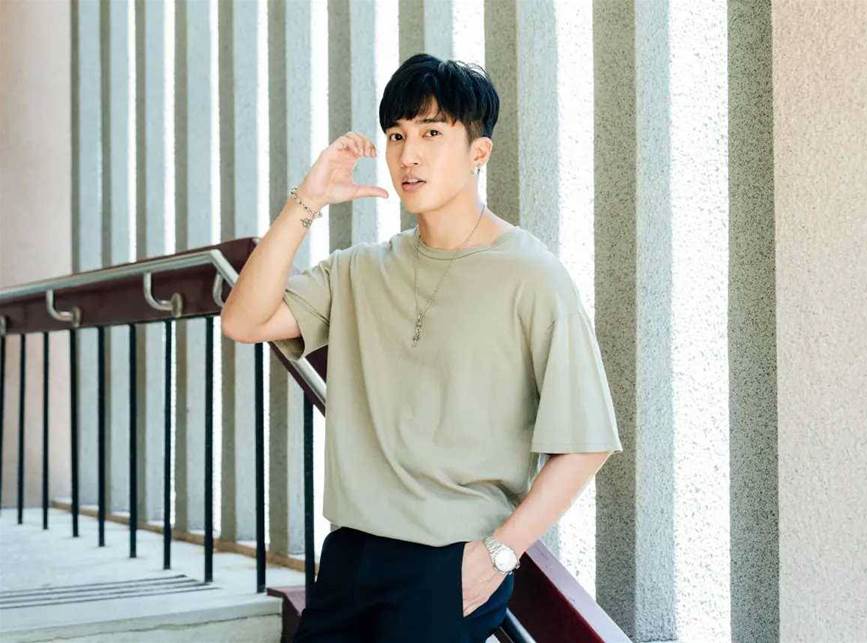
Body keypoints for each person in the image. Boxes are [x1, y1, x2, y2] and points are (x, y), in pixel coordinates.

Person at [221, 53, 623, 643]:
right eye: (396, 135)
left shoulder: (532, 275)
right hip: (350, 558)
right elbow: (243, 321)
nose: (408, 154)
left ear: (479, 152)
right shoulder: (360, 270)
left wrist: (499, 554)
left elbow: (587, 443)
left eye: (432, 133)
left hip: (450, 564)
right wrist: (306, 200)